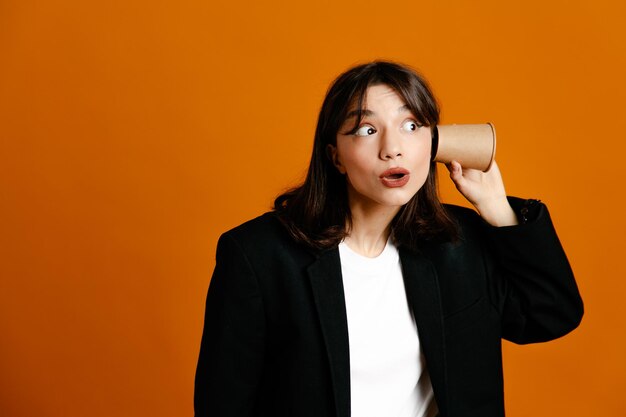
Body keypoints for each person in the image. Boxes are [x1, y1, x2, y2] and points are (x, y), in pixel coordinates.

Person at [194, 61, 583, 417]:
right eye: (367, 129)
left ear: (434, 144)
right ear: (335, 157)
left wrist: (498, 209)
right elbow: (223, 404)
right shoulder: (258, 256)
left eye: (411, 126)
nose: (392, 148)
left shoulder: (459, 242)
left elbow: (551, 313)